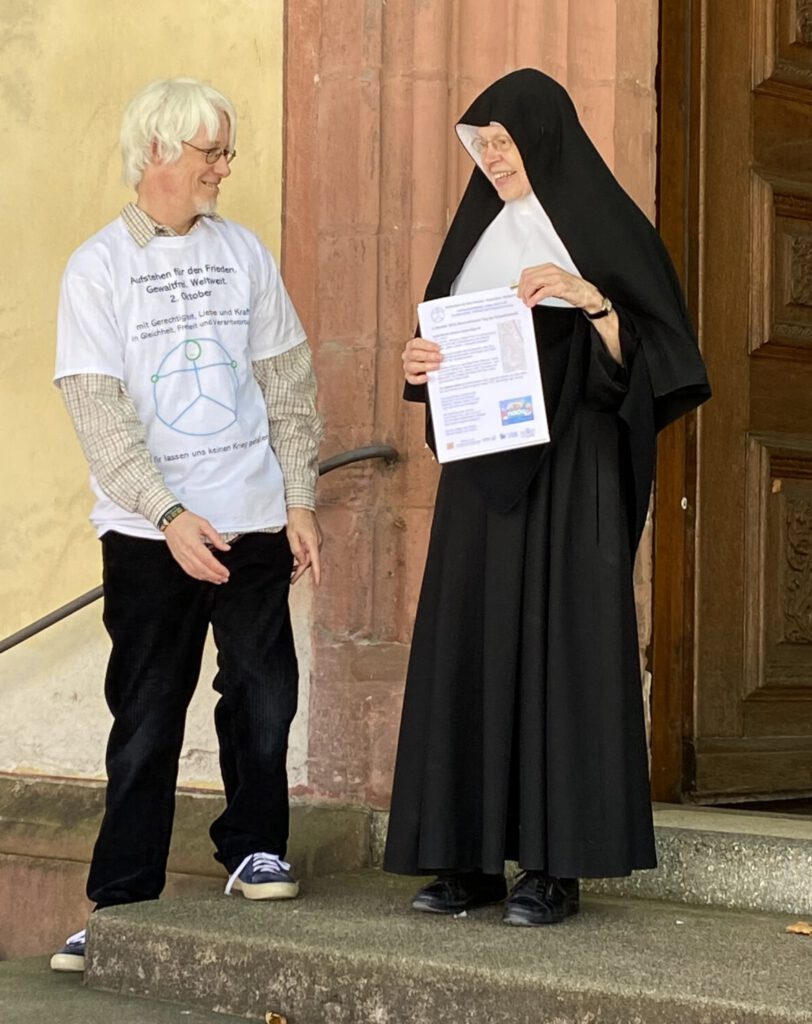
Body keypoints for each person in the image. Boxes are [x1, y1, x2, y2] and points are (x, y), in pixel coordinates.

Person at [383, 69, 710, 926]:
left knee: (565, 650)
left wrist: (590, 298)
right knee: (470, 645)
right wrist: (418, 363)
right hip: (481, 481)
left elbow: (659, 362)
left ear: (544, 139)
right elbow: (438, 346)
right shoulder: (472, 234)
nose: (494, 159)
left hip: (574, 469)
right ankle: (466, 858)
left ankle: (555, 869)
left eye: (506, 143)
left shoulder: (609, 228)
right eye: (483, 147)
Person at [49, 78, 322, 971]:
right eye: (212, 152)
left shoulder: (243, 253)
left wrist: (299, 500)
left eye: (226, 152)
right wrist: (167, 514)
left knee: (264, 698)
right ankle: (121, 903)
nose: (224, 168)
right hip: (148, 536)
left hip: (253, 522)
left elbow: (288, 384)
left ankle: (254, 848)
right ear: (160, 152)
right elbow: (98, 411)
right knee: (146, 717)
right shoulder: (98, 268)